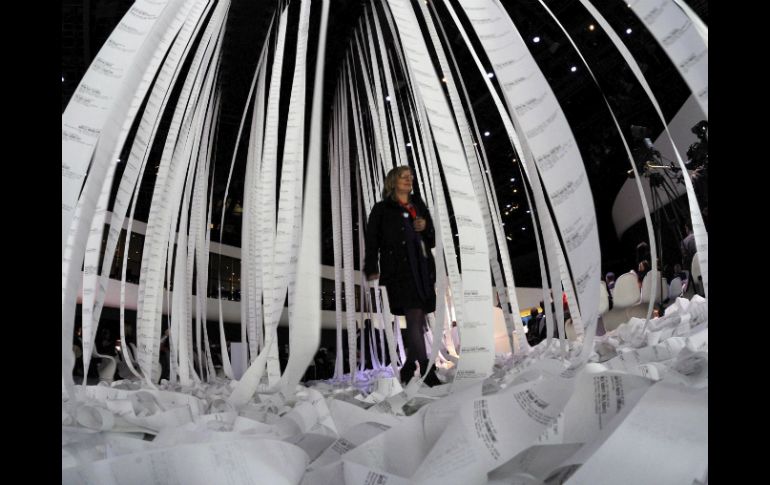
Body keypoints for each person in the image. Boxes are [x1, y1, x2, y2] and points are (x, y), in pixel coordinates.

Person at [364, 165, 439, 385]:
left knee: (419, 320)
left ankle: (407, 367)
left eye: (411, 177)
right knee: (414, 317)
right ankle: (427, 371)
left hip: (423, 269)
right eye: (404, 177)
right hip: (399, 271)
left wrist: (425, 226)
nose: (409, 179)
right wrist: (371, 267)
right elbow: (372, 241)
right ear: (393, 181)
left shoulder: (418, 205)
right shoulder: (381, 210)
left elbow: (432, 239)